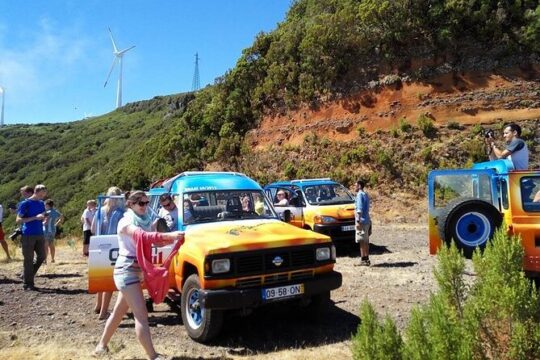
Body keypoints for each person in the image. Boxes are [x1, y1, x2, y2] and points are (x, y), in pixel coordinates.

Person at [94, 191, 183, 360]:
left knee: (119, 312)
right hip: (126, 271)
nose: (145, 206)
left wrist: (172, 239)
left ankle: (101, 346)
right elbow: (142, 236)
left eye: (147, 203)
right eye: (141, 203)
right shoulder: (126, 221)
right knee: (141, 315)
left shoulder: (145, 220)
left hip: (135, 271)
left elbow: (154, 240)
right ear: (131, 204)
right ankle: (153, 356)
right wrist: (169, 235)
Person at [91, 186, 124, 321]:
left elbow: (93, 229)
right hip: (114, 247)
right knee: (110, 281)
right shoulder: (121, 213)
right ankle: (103, 312)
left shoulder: (100, 211)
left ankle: (98, 306)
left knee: (101, 276)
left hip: (99, 245)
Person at [16, 184, 48, 290]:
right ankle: (28, 283)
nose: (43, 196)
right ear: (36, 191)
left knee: (42, 256)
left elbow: (41, 217)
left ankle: (27, 275)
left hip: (39, 233)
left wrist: (44, 219)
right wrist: (35, 217)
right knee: (28, 259)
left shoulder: (41, 203)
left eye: (45, 194)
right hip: (28, 234)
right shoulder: (25, 203)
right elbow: (18, 220)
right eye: (42, 194)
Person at [354, 180, 371, 266]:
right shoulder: (365, 195)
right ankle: (366, 259)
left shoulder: (359, 195)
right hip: (367, 220)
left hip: (362, 221)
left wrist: (358, 221)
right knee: (366, 241)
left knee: (362, 241)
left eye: (355, 185)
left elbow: (359, 209)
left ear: (359, 186)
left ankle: (363, 260)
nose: (354, 187)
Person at [42, 199, 64, 264]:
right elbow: (62, 217)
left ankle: (45, 260)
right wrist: (56, 224)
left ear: (47, 205)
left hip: (46, 230)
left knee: (45, 245)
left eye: (45, 205)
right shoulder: (55, 211)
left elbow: (46, 222)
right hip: (53, 230)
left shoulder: (47, 212)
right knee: (51, 244)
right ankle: (52, 259)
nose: (44, 206)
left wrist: (41, 223)